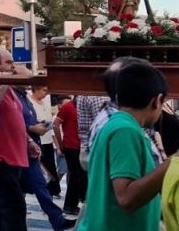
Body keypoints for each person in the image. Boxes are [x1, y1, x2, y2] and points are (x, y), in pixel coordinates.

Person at [79, 59, 170, 230]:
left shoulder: (118, 124)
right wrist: (173, 162)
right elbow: (126, 198)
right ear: (157, 100)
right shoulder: (124, 130)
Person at [0, 48, 40, 231]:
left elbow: (16, 119)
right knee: (14, 208)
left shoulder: (10, 89)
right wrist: (6, 81)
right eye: (8, 63)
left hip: (14, 158)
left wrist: (28, 141)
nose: (13, 67)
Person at [17, 86, 75, 230]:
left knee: (41, 185)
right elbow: (13, 122)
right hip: (17, 150)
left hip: (33, 148)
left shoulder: (25, 98)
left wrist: (34, 132)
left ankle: (57, 220)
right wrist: (31, 129)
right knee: (16, 189)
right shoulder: (13, 97)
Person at [54, 95, 85, 216]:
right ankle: (69, 205)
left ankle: (73, 204)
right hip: (71, 146)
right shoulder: (68, 106)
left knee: (79, 176)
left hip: (80, 146)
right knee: (75, 176)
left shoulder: (81, 107)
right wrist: (60, 143)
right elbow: (56, 124)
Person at [29, 85, 61, 197]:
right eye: (43, 90)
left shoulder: (46, 102)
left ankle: (51, 193)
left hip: (47, 140)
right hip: (36, 140)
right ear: (36, 89)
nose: (45, 93)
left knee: (51, 168)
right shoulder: (29, 101)